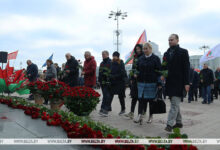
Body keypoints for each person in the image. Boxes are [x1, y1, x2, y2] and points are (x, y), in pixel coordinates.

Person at [161, 34, 190, 132]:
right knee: (175, 103)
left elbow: (186, 69)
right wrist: (162, 74)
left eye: (172, 40)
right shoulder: (166, 53)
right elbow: (164, 66)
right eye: (168, 40)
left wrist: (187, 83)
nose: (170, 41)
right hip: (169, 83)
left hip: (179, 83)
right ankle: (179, 122)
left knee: (174, 104)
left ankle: (169, 124)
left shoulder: (183, 52)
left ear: (177, 40)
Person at [133, 42, 161, 125]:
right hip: (141, 83)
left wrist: (159, 83)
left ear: (150, 49)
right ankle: (139, 115)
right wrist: (135, 73)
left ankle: (150, 116)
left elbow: (159, 71)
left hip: (152, 83)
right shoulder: (140, 59)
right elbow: (137, 68)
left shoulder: (156, 59)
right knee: (141, 100)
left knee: (151, 101)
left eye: (146, 49)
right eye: (144, 49)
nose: (144, 50)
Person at [125, 44, 143, 119]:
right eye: (136, 49)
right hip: (135, 80)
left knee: (140, 98)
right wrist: (132, 78)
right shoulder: (135, 57)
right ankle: (131, 112)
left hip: (141, 80)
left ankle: (140, 114)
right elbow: (133, 68)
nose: (138, 50)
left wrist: (138, 74)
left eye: (139, 49)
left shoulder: (143, 57)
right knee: (134, 97)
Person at [109, 51, 127, 116]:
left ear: (118, 56)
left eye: (115, 56)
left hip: (120, 82)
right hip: (113, 82)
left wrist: (114, 76)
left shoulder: (121, 63)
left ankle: (123, 109)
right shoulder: (111, 63)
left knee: (121, 96)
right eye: (113, 56)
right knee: (111, 95)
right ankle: (107, 108)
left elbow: (122, 73)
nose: (114, 57)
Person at [98, 51, 112, 117]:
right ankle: (105, 108)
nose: (103, 55)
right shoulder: (101, 63)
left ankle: (105, 109)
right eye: (102, 54)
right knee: (105, 95)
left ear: (107, 54)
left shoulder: (110, 62)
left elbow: (111, 72)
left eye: (104, 54)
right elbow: (100, 73)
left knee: (107, 96)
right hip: (102, 82)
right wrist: (99, 80)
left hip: (108, 82)